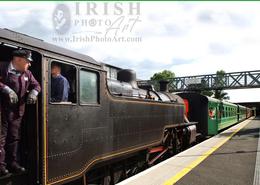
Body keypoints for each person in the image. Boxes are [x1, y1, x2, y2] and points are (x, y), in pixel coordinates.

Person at [0, 49, 41, 176]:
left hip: (17, 112)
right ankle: (1, 166)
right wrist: (6, 89)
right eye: (27, 62)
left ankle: (13, 163)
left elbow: (37, 85)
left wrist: (34, 93)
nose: (29, 64)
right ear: (18, 59)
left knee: (14, 138)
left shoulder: (28, 73)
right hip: (2, 111)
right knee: (1, 139)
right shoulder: (2, 67)